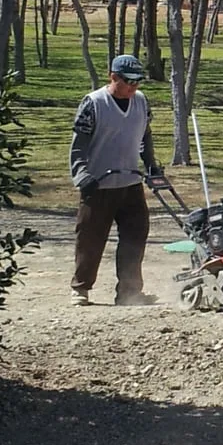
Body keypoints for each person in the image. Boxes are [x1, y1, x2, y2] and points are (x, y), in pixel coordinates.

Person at [69, 54, 161, 307]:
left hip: (130, 182)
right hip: (98, 185)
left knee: (135, 236)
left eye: (138, 81)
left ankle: (129, 293)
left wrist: (151, 165)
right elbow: (78, 147)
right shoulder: (94, 103)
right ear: (113, 77)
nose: (133, 87)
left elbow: (145, 136)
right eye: (128, 81)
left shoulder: (141, 102)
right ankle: (81, 288)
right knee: (90, 238)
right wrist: (81, 174)